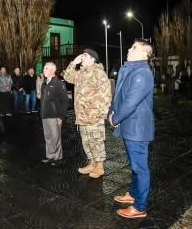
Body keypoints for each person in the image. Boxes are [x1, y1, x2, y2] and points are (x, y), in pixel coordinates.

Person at [108, 39, 154, 218]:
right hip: (129, 125)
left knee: (140, 167)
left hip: (137, 128)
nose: (129, 49)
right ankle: (133, 195)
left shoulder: (143, 72)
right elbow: (118, 95)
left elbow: (130, 102)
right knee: (134, 165)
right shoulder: (129, 69)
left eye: (134, 47)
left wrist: (115, 118)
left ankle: (140, 206)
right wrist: (112, 111)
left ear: (145, 54)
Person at [64, 49, 111, 178]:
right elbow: (67, 77)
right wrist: (74, 63)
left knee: (96, 141)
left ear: (92, 59)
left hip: (94, 116)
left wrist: (103, 115)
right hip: (82, 116)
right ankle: (91, 162)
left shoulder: (98, 73)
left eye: (85, 55)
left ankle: (99, 165)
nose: (82, 57)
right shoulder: (80, 73)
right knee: (86, 142)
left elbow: (106, 95)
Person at [40, 62, 69, 167]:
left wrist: (61, 116)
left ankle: (58, 157)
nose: (44, 70)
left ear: (53, 70)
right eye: (44, 68)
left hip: (54, 115)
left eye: (46, 68)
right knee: (48, 136)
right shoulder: (44, 83)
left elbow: (65, 101)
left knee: (56, 137)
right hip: (45, 114)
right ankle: (50, 155)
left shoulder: (58, 83)